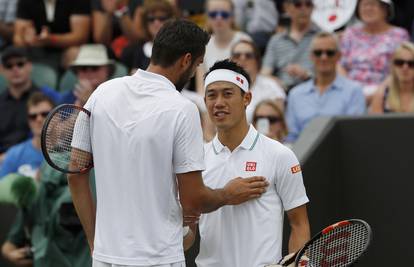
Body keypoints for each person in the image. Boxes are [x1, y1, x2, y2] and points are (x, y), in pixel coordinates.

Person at [67, 19, 268, 267]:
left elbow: (75, 173)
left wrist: (95, 241)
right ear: (186, 60)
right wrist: (227, 194)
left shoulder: (101, 94)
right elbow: (194, 200)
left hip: (105, 258)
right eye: (197, 64)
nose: (195, 71)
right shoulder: (182, 109)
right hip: (158, 259)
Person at [195, 59, 310, 267]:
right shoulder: (196, 159)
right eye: (211, 95)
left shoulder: (279, 155)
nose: (219, 102)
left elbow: (299, 223)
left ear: (247, 98)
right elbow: (188, 235)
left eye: (228, 94)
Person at [286, 32, 366, 143]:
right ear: (311, 56)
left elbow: (354, 133)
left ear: (339, 56)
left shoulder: (353, 91)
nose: (324, 57)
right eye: (318, 53)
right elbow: (291, 136)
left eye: (330, 53)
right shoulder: (295, 94)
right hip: (302, 155)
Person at [0, 46, 59, 162]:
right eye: (9, 66)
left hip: (36, 158)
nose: (15, 69)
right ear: (2, 70)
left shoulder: (46, 97)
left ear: (30, 66)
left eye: (20, 64)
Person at [339, 0, 409, 96]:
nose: (368, 9)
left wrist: (379, 93)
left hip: (386, 93)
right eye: (364, 5)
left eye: (372, 4)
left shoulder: (399, 35)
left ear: (385, 9)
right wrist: (351, 91)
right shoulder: (350, 33)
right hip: (349, 93)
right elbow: (339, 65)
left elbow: (402, 67)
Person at [13, 0, 91, 70]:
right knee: (15, 57)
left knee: (75, 53)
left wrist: (51, 39)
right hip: (36, 49)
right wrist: (26, 39)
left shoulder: (78, 1)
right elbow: (18, 37)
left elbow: (80, 37)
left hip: (66, 48)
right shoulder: (26, 2)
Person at [195, 0, 251, 94]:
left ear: (233, 17)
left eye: (224, 14)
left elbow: (250, 78)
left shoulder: (244, 40)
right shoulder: (203, 45)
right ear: (207, 18)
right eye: (213, 14)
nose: (219, 18)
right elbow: (201, 87)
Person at [261, 0, 318, 91]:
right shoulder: (276, 40)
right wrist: (277, 83)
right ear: (287, 8)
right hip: (283, 91)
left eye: (308, 4)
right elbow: (265, 74)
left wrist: (307, 75)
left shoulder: (322, 38)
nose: (304, 9)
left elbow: (332, 73)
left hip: (314, 89)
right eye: (298, 4)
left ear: (313, 8)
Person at [0, 92, 55, 179]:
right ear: (28, 121)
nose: (39, 119)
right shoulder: (14, 154)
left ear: (57, 116)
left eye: (44, 114)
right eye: (33, 116)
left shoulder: (66, 155)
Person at [230, 39, 285, 122]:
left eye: (248, 55)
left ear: (257, 61)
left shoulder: (272, 87)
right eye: (237, 55)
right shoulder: (223, 86)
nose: (242, 58)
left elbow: (278, 124)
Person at [120, 0, 177, 72]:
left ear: (171, 21)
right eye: (151, 19)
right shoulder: (134, 52)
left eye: (162, 18)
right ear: (145, 23)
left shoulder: (179, 50)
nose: (156, 23)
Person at [370, 41, 414, 113]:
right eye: (399, 63)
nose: (405, 67)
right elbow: (375, 123)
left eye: (411, 64)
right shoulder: (382, 95)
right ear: (393, 65)